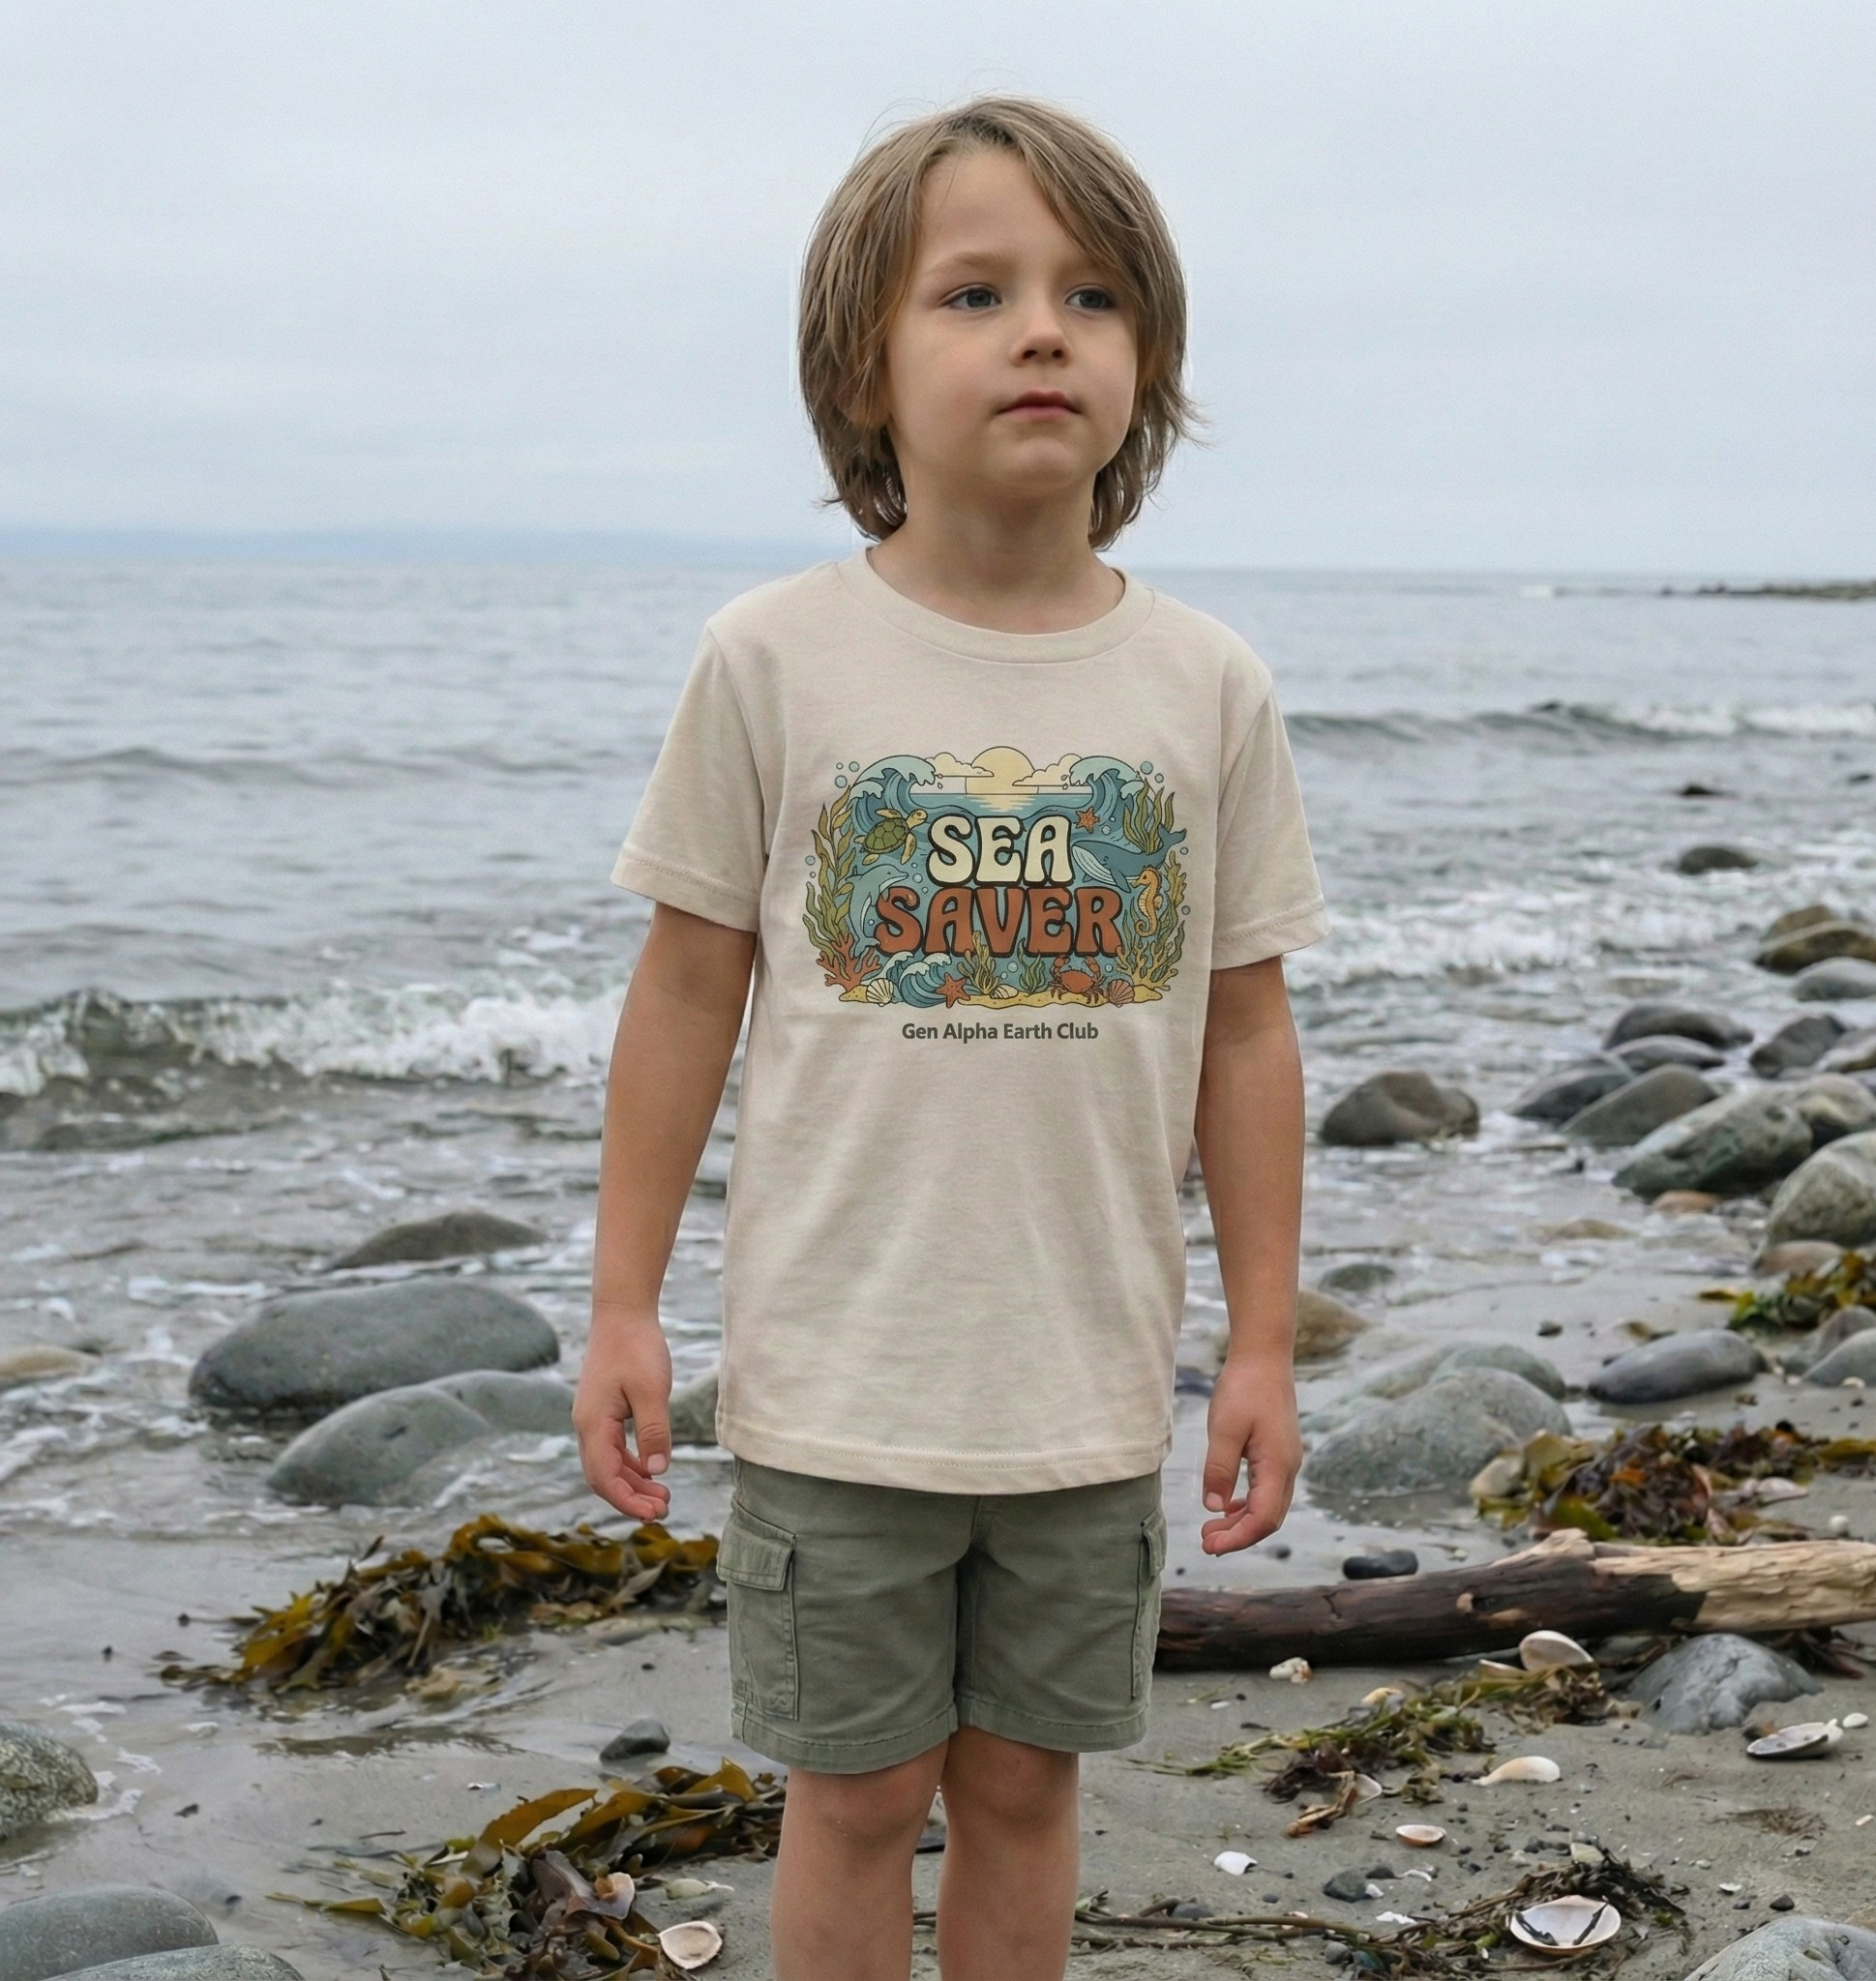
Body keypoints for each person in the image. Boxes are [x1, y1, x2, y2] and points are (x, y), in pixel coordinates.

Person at [573, 94, 1329, 1981]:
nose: (1041, 331)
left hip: (1083, 1385)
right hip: (842, 1378)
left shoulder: (1202, 684)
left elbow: (1245, 1033)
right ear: (859, 370)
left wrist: (1258, 1342)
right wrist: (621, 1305)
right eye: (973, 292)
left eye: (1089, 293)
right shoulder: (773, 658)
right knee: (848, 1792)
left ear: (1144, 364)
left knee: (1021, 1786)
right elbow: (684, 993)